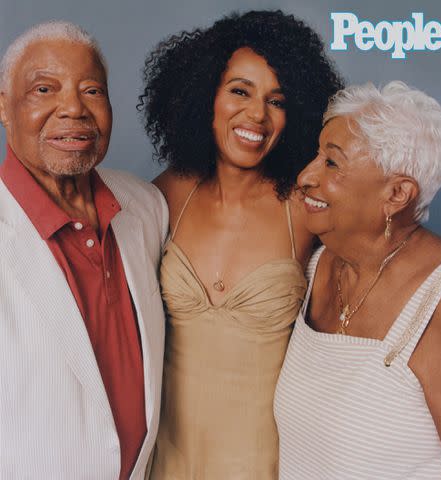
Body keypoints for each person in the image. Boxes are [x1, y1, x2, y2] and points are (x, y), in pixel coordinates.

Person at [138, 9, 343, 479]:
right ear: (204, 95)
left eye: (277, 99)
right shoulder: (170, 194)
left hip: (262, 459)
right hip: (166, 456)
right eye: (239, 91)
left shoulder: (304, 209)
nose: (257, 114)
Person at [0, 21, 168, 479]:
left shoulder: (146, 206)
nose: (73, 107)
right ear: (4, 106)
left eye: (92, 90)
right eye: (44, 89)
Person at [274, 81, 441, 479]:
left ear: (397, 194)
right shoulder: (317, 264)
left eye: (332, 163)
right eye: (317, 155)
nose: (305, 176)